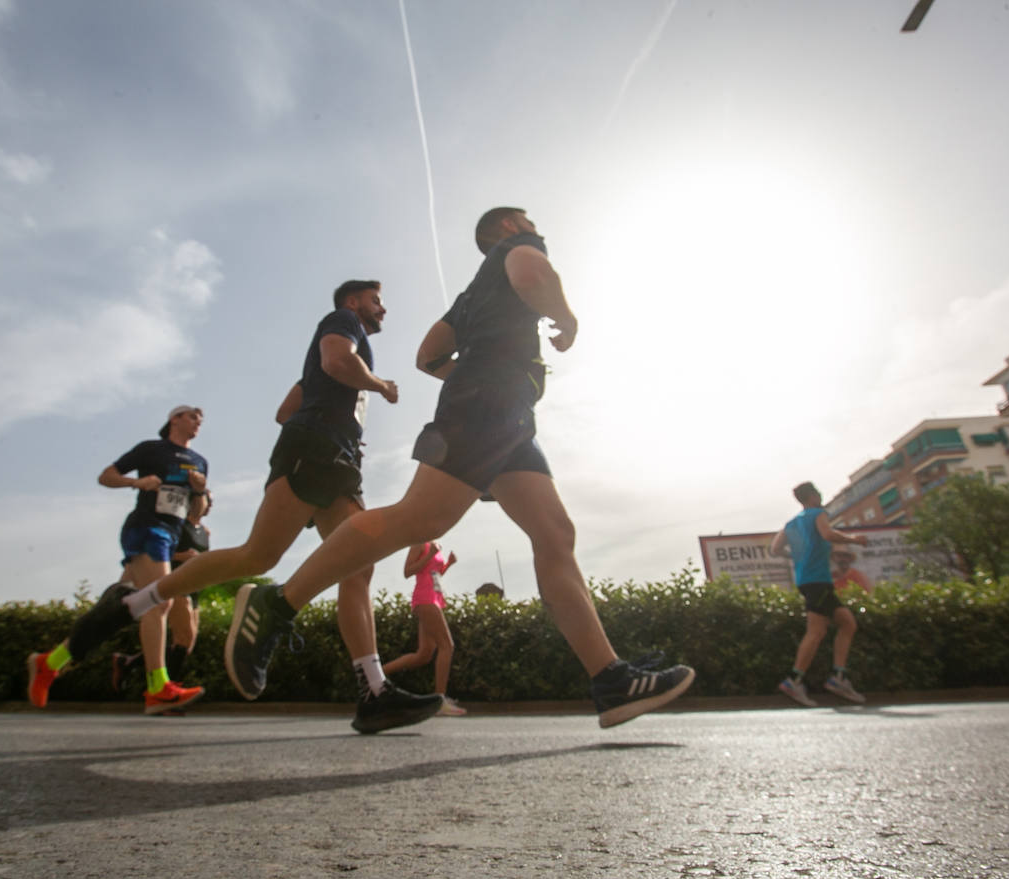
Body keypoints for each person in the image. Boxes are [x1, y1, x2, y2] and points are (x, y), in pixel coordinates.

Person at [228, 207, 695, 729]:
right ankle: (277, 605)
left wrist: (466, 374)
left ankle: (610, 679)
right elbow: (533, 276)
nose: (534, 224)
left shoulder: (472, 297)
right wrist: (566, 319)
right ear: (509, 226)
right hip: (491, 401)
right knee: (420, 518)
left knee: (554, 531)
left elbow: (428, 355)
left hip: (507, 412)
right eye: (526, 219)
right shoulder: (517, 247)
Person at [34, 280, 442, 734]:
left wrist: (334, 420)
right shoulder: (343, 324)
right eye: (375, 300)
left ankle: (373, 690)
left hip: (329, 453)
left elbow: (287, 408)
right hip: (319, 453)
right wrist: (379, 385)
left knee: (343, 565)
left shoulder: (346, 342)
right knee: (274, 557)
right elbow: (335, 361)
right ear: (354, 302)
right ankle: (144, 602)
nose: (382, 309)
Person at [26, 406, 209, 715]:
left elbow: (196, 512)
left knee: (123, 612)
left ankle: (51, 662)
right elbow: (106, 476)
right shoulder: (151, 449)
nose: (197, 422)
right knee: (159, 603)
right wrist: (136, 483)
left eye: (200, 420)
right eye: (191, 416)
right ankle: (157, 688)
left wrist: (201, 491)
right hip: (145, 529)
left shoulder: (200, 461)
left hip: (170, 535)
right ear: (173, 419)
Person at [768, 481, 870, 706]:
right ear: (813, 496)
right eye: (818, 493)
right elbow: (828, 533)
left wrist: (797, 558)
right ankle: (796, 680)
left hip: (807, 581)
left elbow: (775, 549)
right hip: (818, 581)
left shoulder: (791, 524)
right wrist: (854, 540)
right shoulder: (817, 513)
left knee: (846, 623)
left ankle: (838, 676)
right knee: (816, 631)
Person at [111, 490, 213, 695]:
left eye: (210, 501)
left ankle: (128, 662)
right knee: (185, 636)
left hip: (195, 588)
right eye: (204, 499)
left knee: (186, 643)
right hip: (174, 581)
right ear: (193, 501)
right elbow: (158, 553)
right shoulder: (177, 526)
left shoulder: (205, 531)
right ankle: (166, 692)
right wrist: (183, 556)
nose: (207, 504)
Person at [383, 541, 465, 716]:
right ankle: (439, 701)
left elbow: (435, 573)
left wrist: (449, 564)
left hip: (434, 598)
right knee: (447, 646)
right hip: (425, 598)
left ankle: (376, 676)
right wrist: (429, 555)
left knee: (424, 654)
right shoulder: (419, 542)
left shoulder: (436, 544)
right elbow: (407, 572)